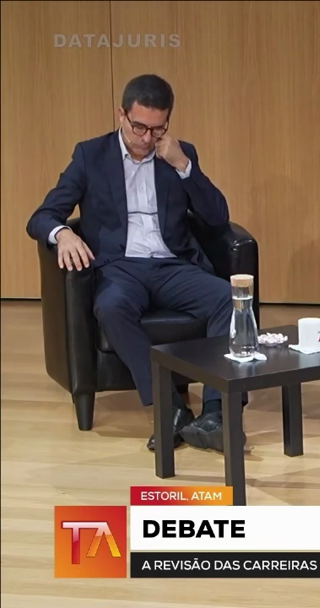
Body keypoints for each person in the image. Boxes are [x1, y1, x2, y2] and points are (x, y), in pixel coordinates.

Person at [26, 74, 240, 454]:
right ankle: (170, 409)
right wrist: (64, 234)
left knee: (228, 297)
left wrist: (184, 166)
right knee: (111, 307)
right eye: (139, 127)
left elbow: (217, 217)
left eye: (157, 129)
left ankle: (215, 414)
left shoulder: (180, 153)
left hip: (172, 265)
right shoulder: (91, 155)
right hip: (120, 268)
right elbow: (42, 216)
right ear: (121, 115)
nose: (146, 138)